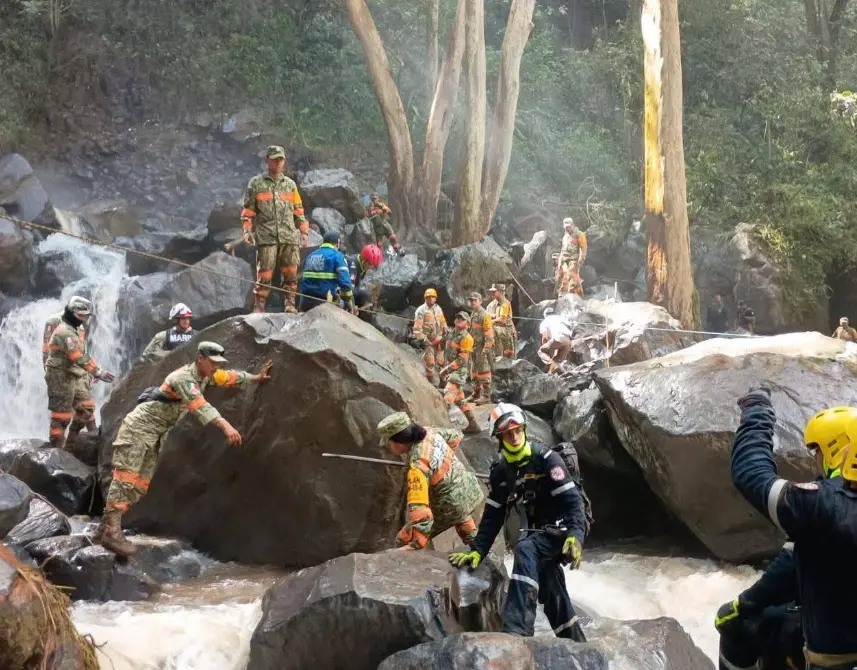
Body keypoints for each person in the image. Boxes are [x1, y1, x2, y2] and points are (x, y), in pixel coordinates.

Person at [97, 342, 272, 556]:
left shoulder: (206, 375)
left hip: (156, 433)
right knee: (126, 477)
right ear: (201, 358)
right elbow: (199, 405)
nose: (216, 367)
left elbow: (229, 377)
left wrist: (256, 378)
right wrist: (226, 426)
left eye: (218, 363)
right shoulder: (183, 378)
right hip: (138, 429)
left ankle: (104, 528)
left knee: (139, 485)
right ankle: (112, 532)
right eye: (213, 362)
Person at [715, 407, 857, 670]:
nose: (815, 460)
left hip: (833, 658)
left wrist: (757, 413)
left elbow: (750, 472)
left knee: (744, 627)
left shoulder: (822, 506)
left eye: (817, 453)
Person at [449, 403, 587, 642]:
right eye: (507, 434)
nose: (514, 437)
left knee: (525, 549)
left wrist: (576, 536)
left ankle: (517, 632)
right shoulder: (502, 472)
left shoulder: (547, 460)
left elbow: (573, 503)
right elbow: (493, 515)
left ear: (524, 429)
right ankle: (576, 644)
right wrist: (478, 551)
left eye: (517, 431)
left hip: (564, 531)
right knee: (550, 584)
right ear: (499, 438)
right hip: (538, 532)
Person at [377, 411, 484, 550]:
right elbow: (456, 437)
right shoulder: (430, 432)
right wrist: (441, 462)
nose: (388, 446)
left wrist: (417, 542)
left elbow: (421, 514)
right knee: (462, 518)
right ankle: (479, 548)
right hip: (470, 490)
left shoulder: (417, 467)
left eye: (389, 442)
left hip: (449, 505)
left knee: (403, 540)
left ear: (399, 441)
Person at [241, 145, 309, 314]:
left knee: (291, 272)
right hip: (267, 237)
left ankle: (290, 304)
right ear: (267, 161)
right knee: (264, 273)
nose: (278, 163)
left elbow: (299, 210)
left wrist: (304, 231)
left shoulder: (290, 185)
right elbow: (248, 212)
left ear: (284, 161)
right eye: (274, 159)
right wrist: (247, 230)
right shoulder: (256, 184)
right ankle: (259, 306)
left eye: (281, 159)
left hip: (289, 237)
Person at [44, 296, 115, 449]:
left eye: (85, 316)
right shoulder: (63, 330)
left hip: (76, 374)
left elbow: (83, 354)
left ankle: (70, 445)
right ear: (70, 312)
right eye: (80, 315)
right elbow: (75, 355)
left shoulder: (77, 328)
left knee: (87, 409)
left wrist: (90, 372)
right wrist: (97, 372)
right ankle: (56, 450)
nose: (82, 319)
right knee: (61, 416)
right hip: (59, 375)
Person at [439, 311, 481, 435]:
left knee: (448, 398)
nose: (458, 319)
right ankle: (473, 426)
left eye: (462, 319)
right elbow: (441, 345)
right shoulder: (450, 333)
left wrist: (447, 368)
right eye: (457, 317)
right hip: (451, 370)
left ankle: (444, 429)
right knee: (460, 400)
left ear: (468, 324)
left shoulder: (467, 338)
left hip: (459, 372)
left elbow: (462, 358)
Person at [298, 231, 354, 313]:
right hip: (324, 303)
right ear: (338, 243)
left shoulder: (310, 256)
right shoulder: (337, 256)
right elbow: (345, 284)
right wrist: (348, 302)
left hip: (304, 302)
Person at [413, 288, 448, 387]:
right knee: (430, 363)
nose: (431, 299)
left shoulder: (438, 308)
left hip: (439, 339)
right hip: (428, 341)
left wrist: (445, 328)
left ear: (436, 298)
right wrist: (423, 339)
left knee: (441, 362)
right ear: (425, 298)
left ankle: (443, 382)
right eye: (429, 297)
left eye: (433, 297)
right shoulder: (421, 311)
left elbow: (442, 321)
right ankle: (431, 384)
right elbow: (417, 328)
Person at [467, 292, 494, 404]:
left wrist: (486, 349)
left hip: (482, 347)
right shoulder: (473, 313)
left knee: (484, 371)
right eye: (471, 300)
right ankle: (476, 393)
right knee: (474, 372)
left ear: (480, 301)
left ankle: (486, 396)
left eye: (475, 300)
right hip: (473, 347)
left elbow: (489, 334)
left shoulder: (484, 315)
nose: (473, 302)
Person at [347, 243, 384, 323]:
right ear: (364, 259)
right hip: (342, 292)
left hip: (351, 290)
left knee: (367, 292)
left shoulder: (362, 266)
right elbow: (349, 289)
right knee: (365, 293)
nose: (371, 268)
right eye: (371, 265)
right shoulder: (353, 264)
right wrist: (352, 307)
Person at [554, 217, 587, 298]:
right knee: (561, 278)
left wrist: (581, 258)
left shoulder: (579, 234)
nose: (567, 228)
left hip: (574, 260)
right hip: (564, 260)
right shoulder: (565, 236)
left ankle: (572, 296)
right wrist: (559, 260)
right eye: (566, 227)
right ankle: (564, 296)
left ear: (573, 225)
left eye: (569, 226)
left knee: (572, 277)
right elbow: (563, 248)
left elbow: (583, 248)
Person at [538, 307, 574, 374]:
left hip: (558, 338)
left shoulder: (545, 321)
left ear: (545, 315)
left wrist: (546, 348)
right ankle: (551, 374)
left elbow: (545, 337)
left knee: (541, 351)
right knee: (557, 361)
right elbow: (572, 329)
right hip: (568, 342)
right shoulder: (562, 318)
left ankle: (551, 363)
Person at [486, 284, 516, 360]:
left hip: (505, 332)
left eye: (494, 292)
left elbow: (502, 320)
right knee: (499, 355)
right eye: (492, 292)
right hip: (497, 333)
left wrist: (514, 331)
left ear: (500, 292)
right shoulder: (492, 305)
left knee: (509, 355)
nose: (492, 293)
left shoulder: (505, 304)